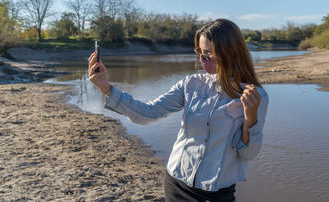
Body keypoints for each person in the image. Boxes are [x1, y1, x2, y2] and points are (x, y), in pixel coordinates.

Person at [88, 18, 269, 202]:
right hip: (176, 184)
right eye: (199, 52)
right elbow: (147, 113)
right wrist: (106, 88)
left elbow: (249, 154)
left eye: (208, 54)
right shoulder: (190, 84)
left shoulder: (255, 96)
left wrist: (250, 119)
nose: (202, 60)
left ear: (230, 52)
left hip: (217, 194)